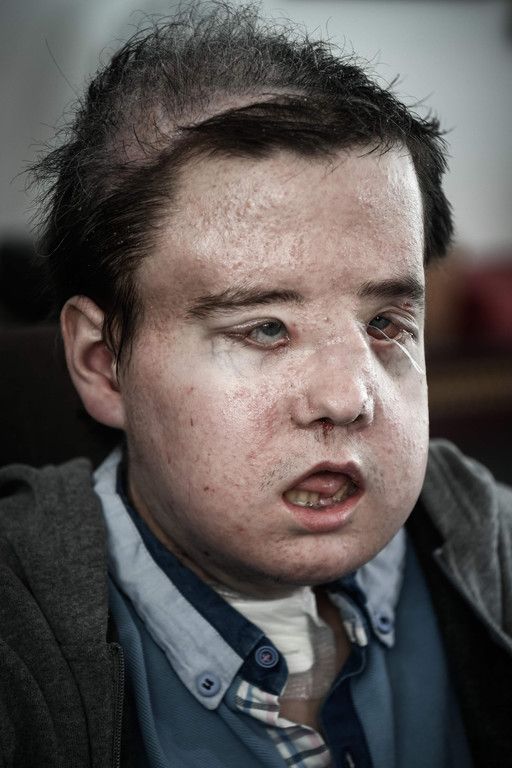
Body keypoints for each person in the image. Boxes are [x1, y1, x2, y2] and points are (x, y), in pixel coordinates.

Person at [1, 4, 511, 767]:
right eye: (265, 328)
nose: (347, 397)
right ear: (103, 364)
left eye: (385, 323)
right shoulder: (19, 636)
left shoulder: (488, 546)